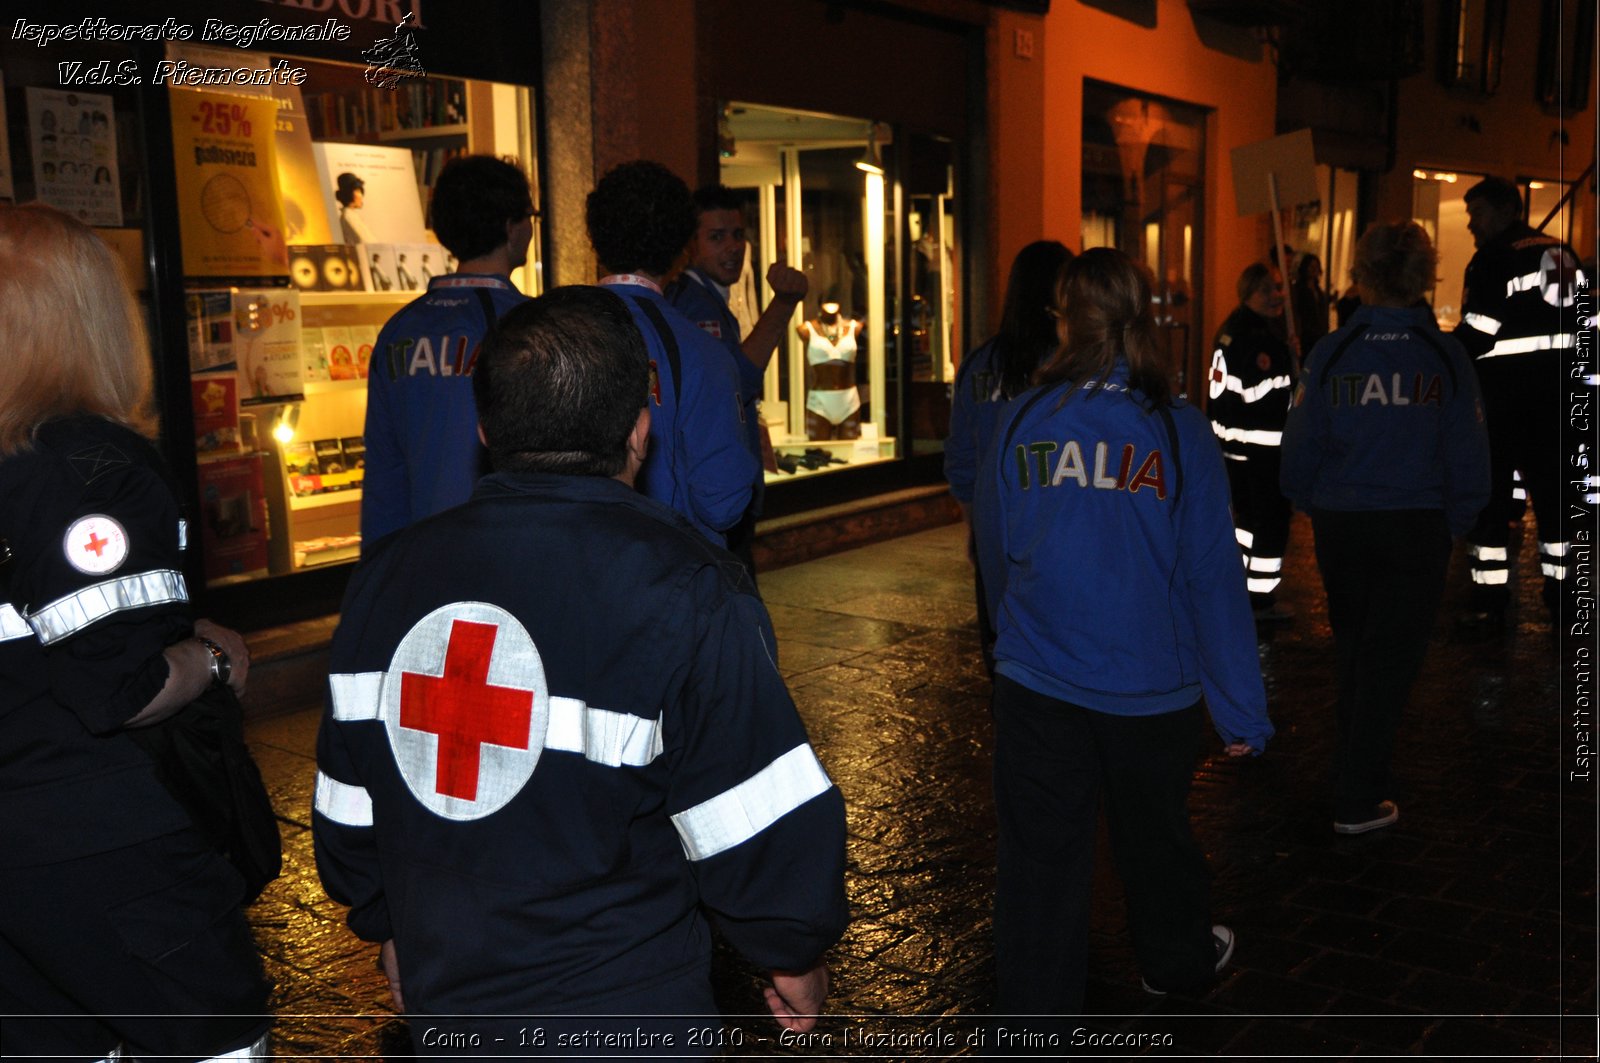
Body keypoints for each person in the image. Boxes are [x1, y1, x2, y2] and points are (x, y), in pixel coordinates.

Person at [313, 285, 849, 1056]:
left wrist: (382, 918)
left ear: (486, 427)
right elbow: (752, 808)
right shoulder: (687, 587)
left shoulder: (384, 580)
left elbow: (347, 797)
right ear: (639, 432)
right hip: (627, 1005)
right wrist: (790, 948)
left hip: (449, 1000)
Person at [0, 204, 271, 1061]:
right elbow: (121, 686)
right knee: (221, 1037)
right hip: (100, 831)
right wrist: (214, 659)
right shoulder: (93, 467)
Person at [973, 247, 1273, 1018]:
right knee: (1157, 842)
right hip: (1151, 694)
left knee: (1040, 865)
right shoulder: (1177, 432)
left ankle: (1035, 1018)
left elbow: (996, 548)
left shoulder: (1019, 420)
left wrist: (1012, 641)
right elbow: (1213, 578)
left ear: (1064, 318)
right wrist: (1239, 707)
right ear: (1146, 318)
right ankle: (1174, 963)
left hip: (1039, 686)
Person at [1281, 221, 1491, 835]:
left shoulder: (1334, 351)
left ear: (1363, 276)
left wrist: (1310, 499)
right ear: (1424, 276)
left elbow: (1301, 444)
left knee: (1356, 650)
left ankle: (1352, 767)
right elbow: (1469, 449)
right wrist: (1456, 519)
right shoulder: (1444, 356)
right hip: (1414, 527)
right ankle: (1357, 793)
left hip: (1345, 525)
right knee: (1390, 662)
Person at [359, 154, 533, 550]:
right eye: (530, 217)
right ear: (510, 227)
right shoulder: (527, 325)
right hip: (505, 551)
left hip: (419, 557)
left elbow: (384, 473)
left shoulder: (398, 331)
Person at [586, 160, 757, 545]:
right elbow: (722, 500)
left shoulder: (548, 333)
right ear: (684, 246)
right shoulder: (701, 352)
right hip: (671, 570)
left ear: (595, 237)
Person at [1451, 176, 1588, 635]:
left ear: (1507, 209)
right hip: (1560, 404)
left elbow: (1477, 333)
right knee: (1558, 508)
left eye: (1478, 214)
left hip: (1505, 405)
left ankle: (1489, 604)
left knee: (1490, 509)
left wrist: (1439, 356)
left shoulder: (1492, 259)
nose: (1471, 224)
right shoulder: (1562, 251)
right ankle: (1566, 606)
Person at [667, 184, 809, 578]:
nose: (733, 247)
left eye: (738, 235)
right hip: (715, 496)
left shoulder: (709, 298)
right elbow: (734, 385)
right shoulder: (696, 304)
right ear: (689, 245)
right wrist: (783, 303)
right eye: (716, 237)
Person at [944, 239, 1073, 672]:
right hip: (1061, 527)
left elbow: (961, 459)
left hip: (995, 527)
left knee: (1003, 646)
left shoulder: (981, 363)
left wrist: (975, 522)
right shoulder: (1071, 365)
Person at [1208, 262, 1297, 621]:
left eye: (1278, 287)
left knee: (1244, 521)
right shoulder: (1258, 340)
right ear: (1248, 293)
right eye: (1267, 290)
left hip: (1233, 447)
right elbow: (1262, 394)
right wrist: (1289, 368)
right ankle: (1261, 600)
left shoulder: (1231, 329)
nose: (1277, 295)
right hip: (1260, 450)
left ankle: (1240, 588)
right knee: (1269, 522)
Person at [796, 299, 865, 440]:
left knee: (850, 453)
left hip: (849, 400)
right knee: (818, 453)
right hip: (820, 401)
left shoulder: (854, 327)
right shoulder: (806, 329)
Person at [1291, 252, 1331, 355]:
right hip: (1306, 335)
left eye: (1316, 266)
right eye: (1311, 266)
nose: (1314, 269)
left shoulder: (1319, 291)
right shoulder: (1299, 289)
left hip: (1319, 334)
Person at [336, 171, 374, 245]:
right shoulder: (348, 217)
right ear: (348, 193)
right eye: (357, 191)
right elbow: (366, 243)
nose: (361, 196)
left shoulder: (351, 216)